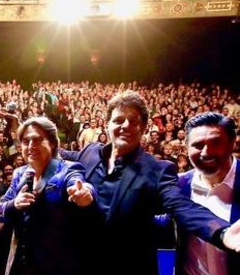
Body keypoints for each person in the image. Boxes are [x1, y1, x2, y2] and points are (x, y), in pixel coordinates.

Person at [61, 91, 240, 275]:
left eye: (133, 121)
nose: (125, 126)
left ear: (144, 127)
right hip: (82, 265)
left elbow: (181, 206)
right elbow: (61, 155)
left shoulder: (158, 170)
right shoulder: (89, 152)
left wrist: (222, 232)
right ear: (107, 124)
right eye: (118, 120)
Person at [0, 116, 99, 275]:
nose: (31, 146)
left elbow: (78, 184)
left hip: (59, 265)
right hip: (22, 264)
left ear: (52, 143)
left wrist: (85, 192)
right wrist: (14, 204)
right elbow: (0, 211)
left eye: (37, 140)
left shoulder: (67, 170)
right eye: (26, 141)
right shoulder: (20, 174)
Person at [174, 112, 240, 275]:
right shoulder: (177, 185)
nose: (206, 152)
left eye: (216, 143)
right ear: (186, 147)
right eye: (197, 145)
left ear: (232, 143)